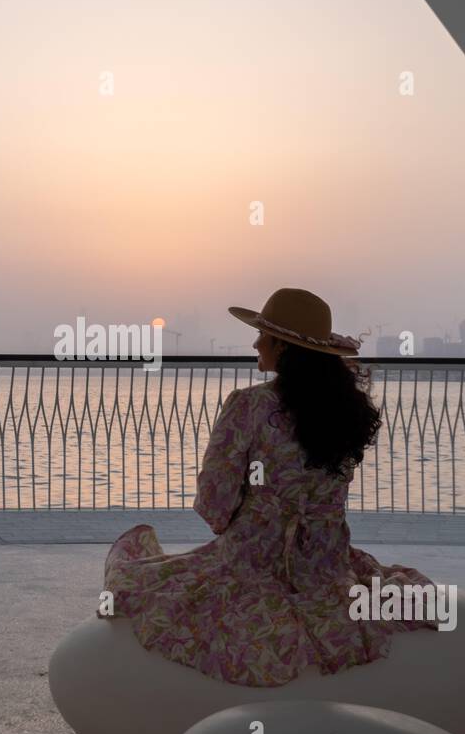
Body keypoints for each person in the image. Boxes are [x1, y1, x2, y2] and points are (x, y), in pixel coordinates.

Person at [101, 287, 438, 687]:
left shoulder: (249, 406)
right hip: (325, 564)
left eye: (263, 333)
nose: (255, 340)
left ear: (283, 346)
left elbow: (214, 499)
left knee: (141, 582)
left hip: (252, 561)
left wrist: (238, 526)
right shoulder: (342, 412)